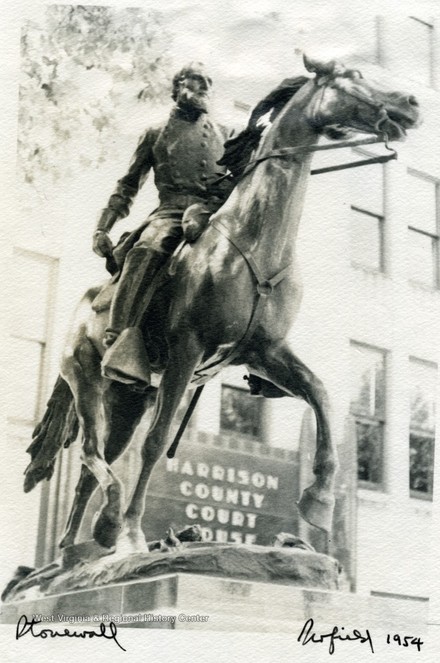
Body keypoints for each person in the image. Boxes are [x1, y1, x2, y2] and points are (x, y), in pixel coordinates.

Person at [93, 62, 234, 386]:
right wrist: (103, 227)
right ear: (177, 89)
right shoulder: (155, 134)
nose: (203, 90)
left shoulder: (226, 134)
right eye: (196, 83)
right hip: (169, 212)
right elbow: (128, 186)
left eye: (208, 85)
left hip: (214, 214)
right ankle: (120, 339)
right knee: (145, 249)